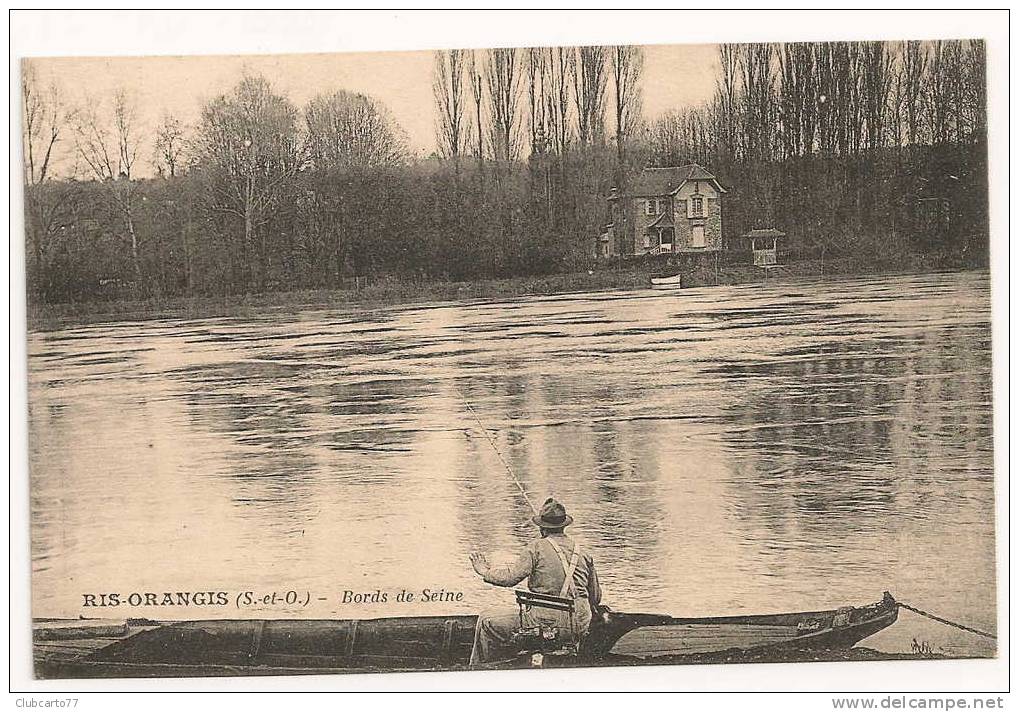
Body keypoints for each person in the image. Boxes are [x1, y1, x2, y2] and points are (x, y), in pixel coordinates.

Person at [467, 497, 602, 667]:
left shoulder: (536, 547)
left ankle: (480, 670)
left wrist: (485, 571)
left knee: (486, 620)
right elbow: (595, 598)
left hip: (547, 625)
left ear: (541, 527)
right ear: (564, 525)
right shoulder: (583, 552)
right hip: (578, 625)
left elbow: (510, 578)